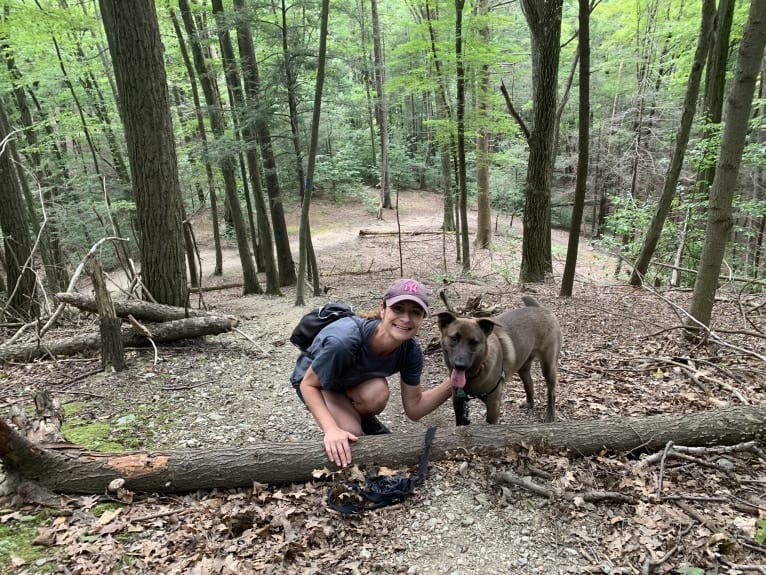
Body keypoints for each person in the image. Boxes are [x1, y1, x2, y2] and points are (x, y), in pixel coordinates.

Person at [290, 278, 453, 467]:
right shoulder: (344, 342)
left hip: (348, 380)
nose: (406, 319)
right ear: (383, 309)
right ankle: (348, 417)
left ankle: (355, 414)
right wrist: (331, 429)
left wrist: (454, 383)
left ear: (422, 319)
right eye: (398, 309)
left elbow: (415, 409)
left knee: (377, 393)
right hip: (315, 382)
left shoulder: (410, 350)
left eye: (415, 312)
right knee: (351, 432)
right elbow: (308, 385)